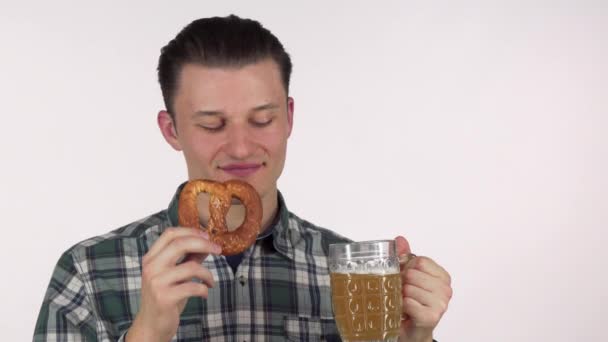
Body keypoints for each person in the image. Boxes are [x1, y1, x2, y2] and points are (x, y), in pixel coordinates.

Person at [34, 15, 452, 342]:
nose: (240, 148)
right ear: (171, 130)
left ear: (289, 118)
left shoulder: (350, 275)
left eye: (262, 120)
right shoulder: (89, 273)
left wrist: (412, 339)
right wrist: (146, 334)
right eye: (212, 125)